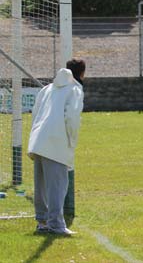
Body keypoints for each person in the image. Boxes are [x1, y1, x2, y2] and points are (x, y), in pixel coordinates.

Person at [28, 58, 85, 235]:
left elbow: (35, 113)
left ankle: (42, 221)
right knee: (58, 185)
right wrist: (72, 142)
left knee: (42, 185)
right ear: (82, 73)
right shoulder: (74, 89)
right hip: (57, 141)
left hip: (38, 140)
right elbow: (72, 118)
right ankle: (56, 225)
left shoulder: (47, 89)